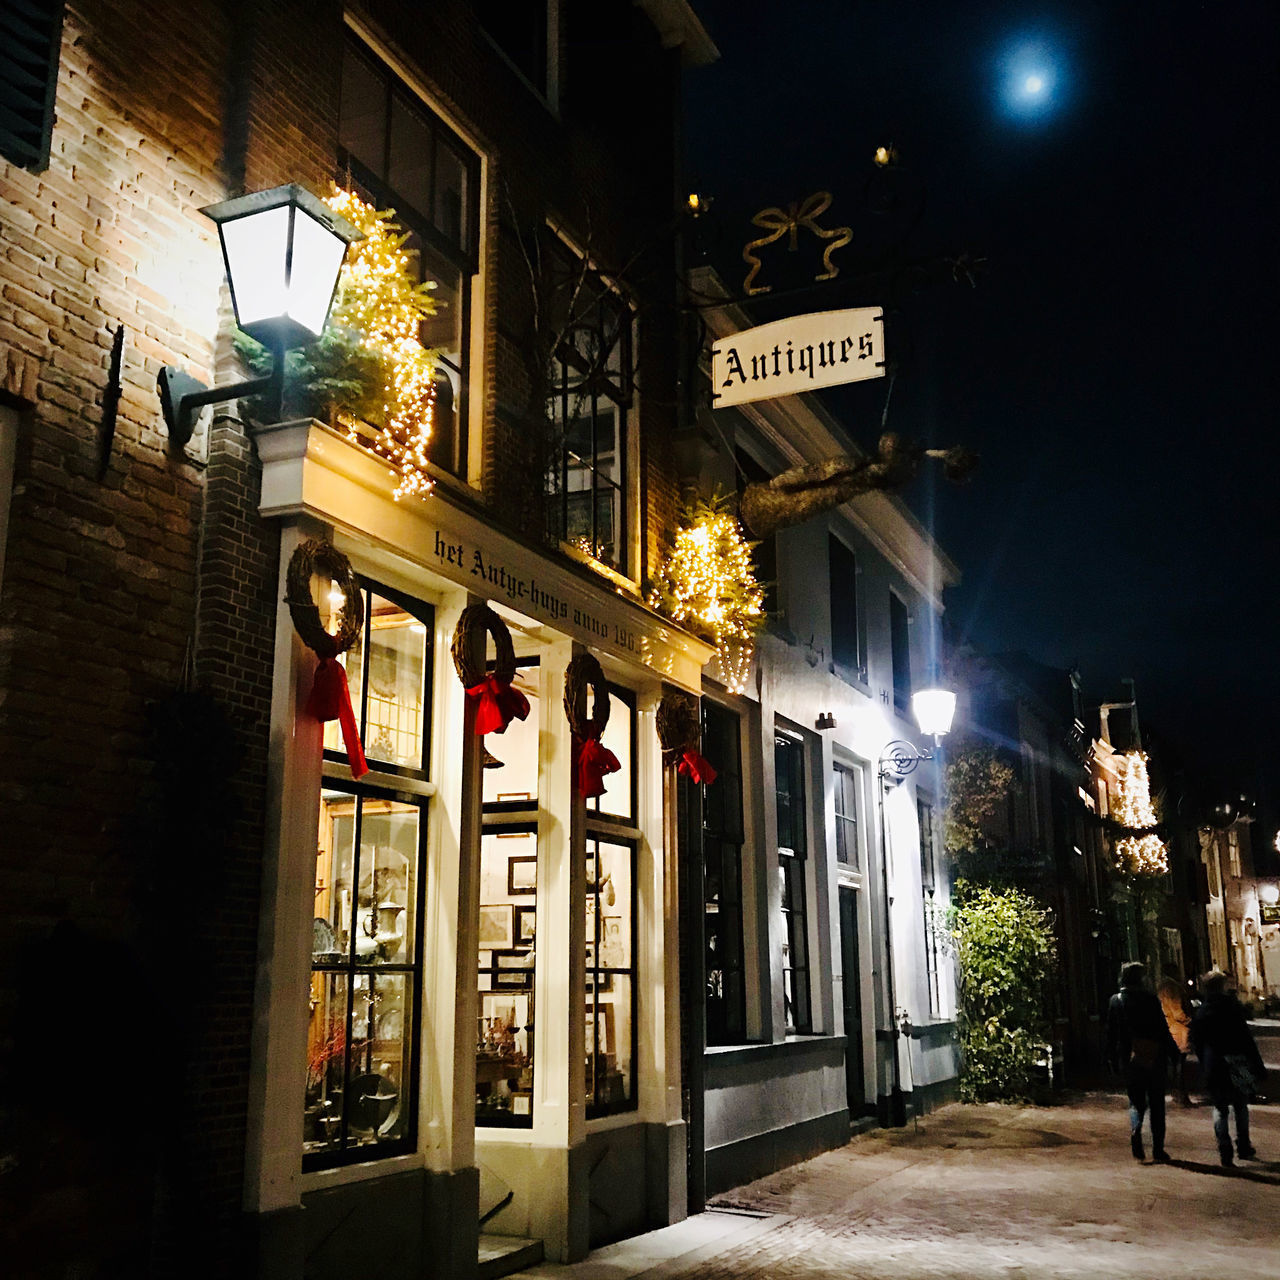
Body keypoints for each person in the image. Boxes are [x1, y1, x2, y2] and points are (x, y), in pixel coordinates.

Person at [1106, 962, 1180, 1162]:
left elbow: (1111, 1034)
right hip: (1154, 1057)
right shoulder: (1151, 1000)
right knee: (1157, 1104)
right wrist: (1174, 1054)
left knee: (1135, 1101)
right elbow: (1163, 1030)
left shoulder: (1116, 1001)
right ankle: (1158, 1149)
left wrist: (1112, 1059)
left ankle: (1136, 1129)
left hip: (1129, 1058)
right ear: (1141, 979)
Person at [1190, 970, 1265, 1167]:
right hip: (1236, 1062)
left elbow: (1197, 1042)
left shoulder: (1202, 1011)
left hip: (1214, 1063)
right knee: (1240, 1105)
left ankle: (1225, 1149)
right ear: (1222, 986)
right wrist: (1256, 1064)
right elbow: (1246, 1038)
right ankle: (1244, 1145)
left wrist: (1204, 1061)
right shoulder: (1232, 1007)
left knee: (1220, 1108)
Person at [1156, 966, 1194, 1106]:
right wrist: (1189, 1020)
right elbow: (1177, 1010)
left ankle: (1176, 1092)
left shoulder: (1161, 987)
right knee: (1179, 1063)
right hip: (1178, 1029)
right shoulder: (1172, 987)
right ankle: (1181, 1095)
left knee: (1174, 1063)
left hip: (1169, 1026)